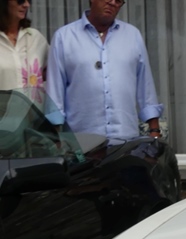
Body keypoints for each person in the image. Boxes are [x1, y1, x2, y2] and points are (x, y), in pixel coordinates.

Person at [44, 0, 163, 141]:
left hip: (125, 140)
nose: (112, 3)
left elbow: (146, 86)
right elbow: (55, 93)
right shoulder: (64, 37)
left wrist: (154, 131)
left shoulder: (132, 36)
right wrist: (56, 139)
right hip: (82, 141)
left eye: (118, 1)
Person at [0, 0, 48, 101]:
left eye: (29, 0)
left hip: (32, 110)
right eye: (20, 0)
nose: (26, 5)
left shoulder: (35, 38)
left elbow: (55, 71)